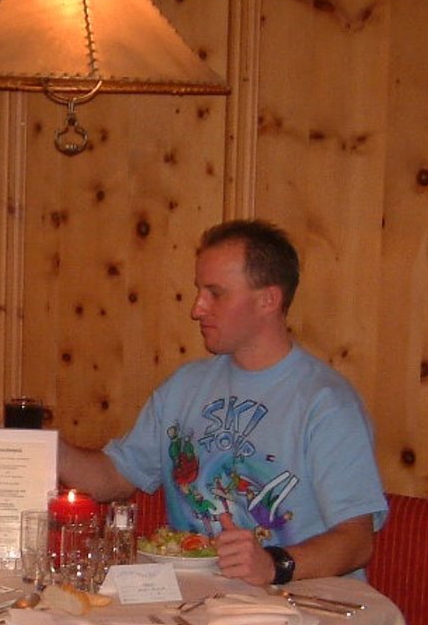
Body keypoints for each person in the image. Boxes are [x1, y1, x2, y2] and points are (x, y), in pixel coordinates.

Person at [57, 219, 387, 589]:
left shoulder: (326, 403)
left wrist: (273, 564)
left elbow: (357, 542)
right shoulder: (185, 386)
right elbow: (115, 478)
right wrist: (49, 447)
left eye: (215, 293)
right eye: (199, 291)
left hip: (299, 601)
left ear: (268, 300)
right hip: (198, 599)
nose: (197, 308)